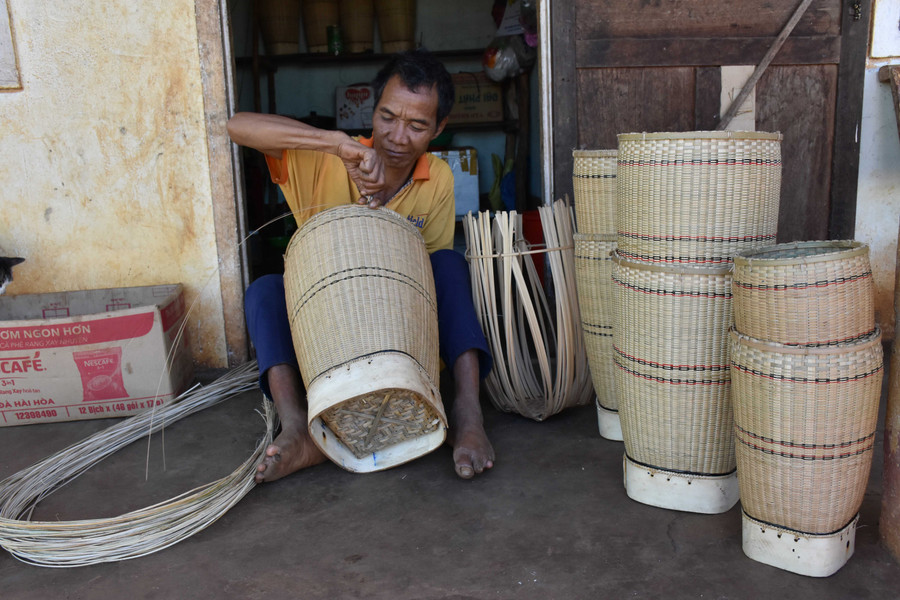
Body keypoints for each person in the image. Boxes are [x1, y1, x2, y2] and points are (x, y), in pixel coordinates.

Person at [227, 49, 495, 482]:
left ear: (439, 128)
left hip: (399, 332)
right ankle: (297, 426)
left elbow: (428, 281)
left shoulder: (438, 177)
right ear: (374, 108)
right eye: (387, 116)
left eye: (417, 126)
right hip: (322, 334)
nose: (397, 136)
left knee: (447, 265)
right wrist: (334, 143)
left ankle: (467, 413)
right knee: (264, 290)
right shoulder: (327, 158)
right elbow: (237, 126)